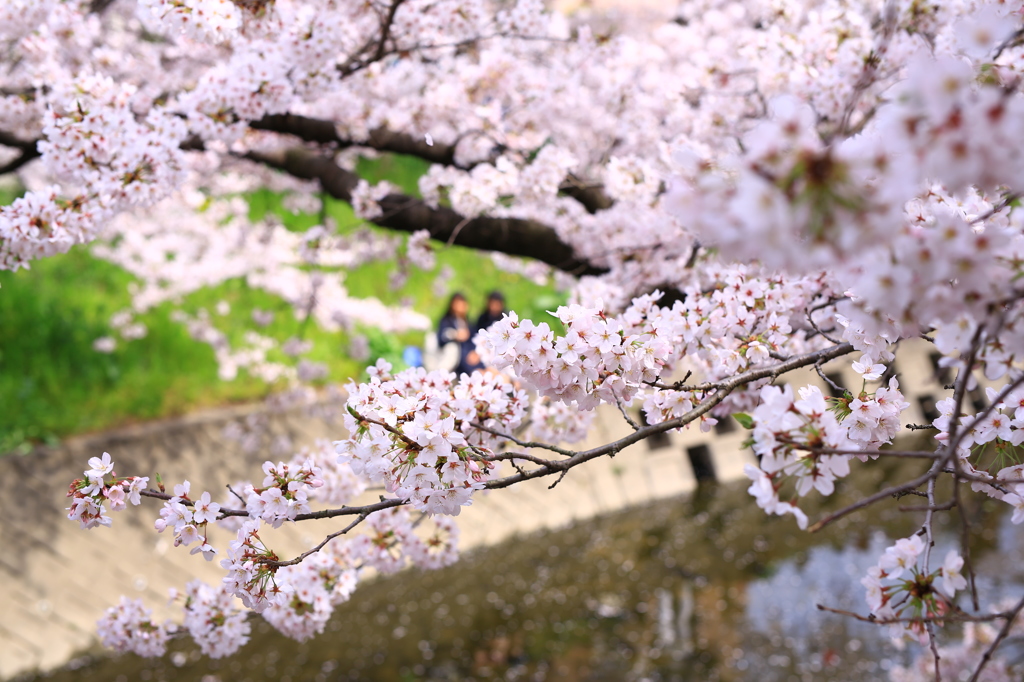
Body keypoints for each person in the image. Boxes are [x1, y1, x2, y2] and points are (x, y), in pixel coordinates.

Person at [437, 292, 484, 375]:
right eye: (457, 304)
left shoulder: (468, 323)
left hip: (471, 354)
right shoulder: (447, 321)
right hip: (458, 356)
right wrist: (455, 335)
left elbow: (475, 339)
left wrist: (476, 352)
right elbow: (441, 339)